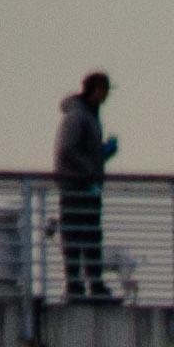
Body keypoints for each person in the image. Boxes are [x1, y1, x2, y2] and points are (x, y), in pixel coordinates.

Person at [55, 72, 118, 301]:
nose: (106, 95)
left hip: (88, 187)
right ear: (94, 89)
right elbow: (67, 150)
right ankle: (76, 285)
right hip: (76, 188)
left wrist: (102, 155)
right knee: (75, 236)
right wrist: (91, 169)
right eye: (104, 90)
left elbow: (84, 153)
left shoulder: (90, 116)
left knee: (91, 236)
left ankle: (94, 283)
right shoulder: (77, 116)